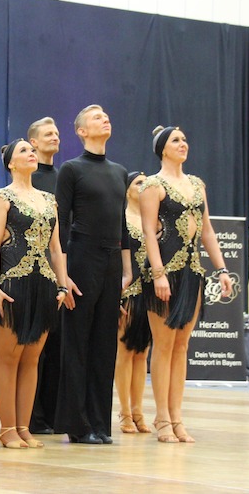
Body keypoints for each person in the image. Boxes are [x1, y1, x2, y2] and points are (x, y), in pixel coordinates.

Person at [140, 125, 233, 443]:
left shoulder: (197, 184)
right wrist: (158, 273)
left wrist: (222, 269)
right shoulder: (153, 185)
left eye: (184, 139)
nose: (183, 144)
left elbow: (207, 230)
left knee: (182, 345)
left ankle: (177, 416)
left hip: (192, 271)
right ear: (162, 149)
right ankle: (162, 418)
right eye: (176, 140)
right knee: (164, 344)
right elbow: (149, 231)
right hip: (164, 271)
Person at [53, 105, 132, 445]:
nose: (105, 118)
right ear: (81, 131)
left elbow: (122, 224)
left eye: (106, 116)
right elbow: (61, 222)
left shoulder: (119, 172)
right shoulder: (72, 169)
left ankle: (100, 423)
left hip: (112, 260)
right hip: (82, 256)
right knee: (78, 342)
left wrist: (127, 271)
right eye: (97, 117)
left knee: (104, 343)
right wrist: (63, 274)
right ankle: (77, 423)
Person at [0, 138, 69, 449]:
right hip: (11, 284)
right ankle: (7, 428)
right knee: (8, 358)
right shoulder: (2, 198)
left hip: (44, 284)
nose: (31, 153)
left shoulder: (49, 200)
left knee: (31, 358)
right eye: (24, 150)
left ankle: (23, 427)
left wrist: (62, 285)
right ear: (10, 163)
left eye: (32, 150)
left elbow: (56, 248)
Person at [26, 116, 62, 435]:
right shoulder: (28, 178)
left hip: (60, 269)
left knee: (57, 347)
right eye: (48, 133)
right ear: (33, 142)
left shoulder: (64, 178)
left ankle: (52, 415)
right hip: (32, 271)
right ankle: (30, 416)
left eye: (57, 133)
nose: (55, 137)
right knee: (33, 347)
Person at [114, 171, 153, 435]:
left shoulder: (154, 219)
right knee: (125, 351)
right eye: (139, 182)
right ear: (127, 190)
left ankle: (139, 411)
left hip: (150, 294)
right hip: (128, 292)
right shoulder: (123, 220)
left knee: (142, 353)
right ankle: (125, 411)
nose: (144, 186)